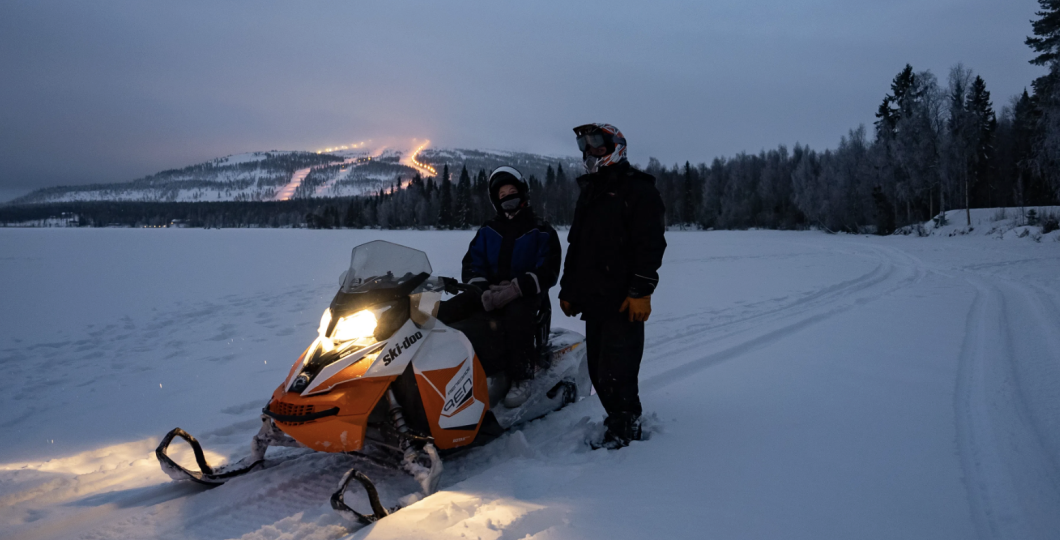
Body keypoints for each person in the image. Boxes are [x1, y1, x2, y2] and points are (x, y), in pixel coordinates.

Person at [559, 123, 666, 449]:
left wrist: (641, 290)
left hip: (623, 300)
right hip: (594, 299)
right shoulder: (590, 190)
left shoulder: (638, 190)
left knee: (617, 372)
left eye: (597, 145)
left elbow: (650, 245)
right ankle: (616, 420)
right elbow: (578, 245)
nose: (591, 151)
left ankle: (625, 430)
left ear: (615, 148)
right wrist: (568, 289)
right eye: (585, 145)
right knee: (598, 370)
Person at [456, 166, 562, 408]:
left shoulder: (541, 230)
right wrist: (482, 289)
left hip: (526, 295)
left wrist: (515, 288)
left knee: (516, 314)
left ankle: (521, 376)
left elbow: (549, 270)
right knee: (450, 309)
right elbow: (472, 262)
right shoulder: (488, 230)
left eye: (512, 192)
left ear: (523, 193)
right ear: (496, 201)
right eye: (502, 195)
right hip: (488, 293)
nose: (508, 197)